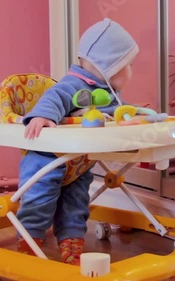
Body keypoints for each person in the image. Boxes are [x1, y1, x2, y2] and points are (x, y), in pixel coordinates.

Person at [16, 18, 139, 265]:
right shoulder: (74, 85)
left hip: (79, 161)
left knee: (76, 202)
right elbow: (55, 97)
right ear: (109, 65)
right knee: (39, 200)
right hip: (47, 159)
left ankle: (71, 240)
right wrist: (42, 116)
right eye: (128, 64)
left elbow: (115, 112)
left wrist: (133, 114)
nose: (131, 71)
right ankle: (29, 240)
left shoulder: (107, 92)